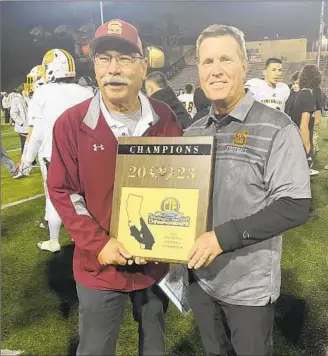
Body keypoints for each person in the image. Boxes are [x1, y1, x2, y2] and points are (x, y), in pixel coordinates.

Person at [47, 19, 182, 356]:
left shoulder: (164, 117)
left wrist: (173, 237)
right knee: (95, 348)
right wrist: (99, 244)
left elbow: (179, 184)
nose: (113, 69)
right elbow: (63, 191)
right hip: (100, 264)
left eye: (124, 58)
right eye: (104, 58)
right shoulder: (71, 123)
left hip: (155, 260)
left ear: (143, 66)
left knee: (154, 345)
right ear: (94, 66)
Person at [184, 24, 310, 356]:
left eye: (225, 59)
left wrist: (221, 238)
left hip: (248, 289)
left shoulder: (276, 127)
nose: (215, 70)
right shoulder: (192, 132)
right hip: (201, 279)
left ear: (244, 65)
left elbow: (294, 205)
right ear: (198, 70)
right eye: (207, 62)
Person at [19, 49, 94, 253]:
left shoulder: (43, 93)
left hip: (52, 154)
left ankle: (53, 240)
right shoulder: (86, 92)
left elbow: (36, 133)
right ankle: (83, 236)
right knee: (84, 196)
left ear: (51, 68)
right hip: (83, 154)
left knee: (55, 197)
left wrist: (25, 161)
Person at [10, 84, 29, 155]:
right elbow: (13, 113)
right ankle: (24, 162)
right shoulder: (16, 100)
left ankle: (32, 161)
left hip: (30, 126)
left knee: (31, 145)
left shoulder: (28, 98)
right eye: (26, 89)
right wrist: (22, 123)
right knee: (25, 144)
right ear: (22, 90)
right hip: (23, 127)